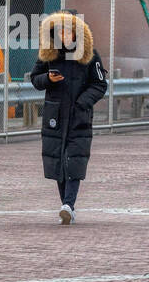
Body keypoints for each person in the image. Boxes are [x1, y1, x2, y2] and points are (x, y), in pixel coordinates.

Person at [30, 12, 106, 224]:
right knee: (57, 161)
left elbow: (100, 84)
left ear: (77, 32)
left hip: (79, 116)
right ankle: (67, 205)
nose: (64, 35)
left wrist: (83, 102)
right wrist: (48, 78)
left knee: (74, 159)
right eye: (60, 30)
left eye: (68, 30)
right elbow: (34, 79)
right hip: (55, 116)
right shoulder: (48, 54)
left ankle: (68, 205)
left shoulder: (90, 55)